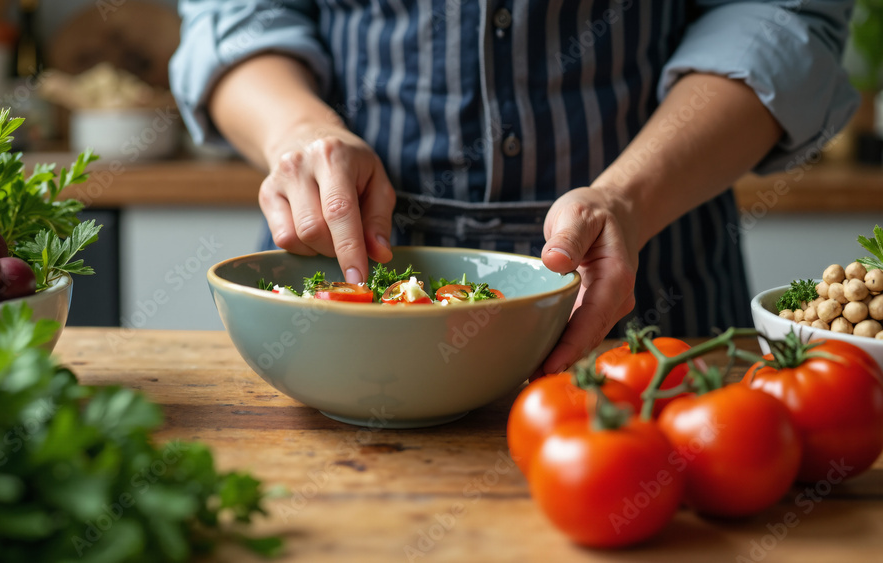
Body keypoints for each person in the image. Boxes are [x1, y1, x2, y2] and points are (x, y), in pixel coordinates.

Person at [170, 0, 857, 374]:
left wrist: (629, 198)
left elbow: (782, 17)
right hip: (331, 308)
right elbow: (231, 14)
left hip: (648, 292)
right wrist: (297, 130)